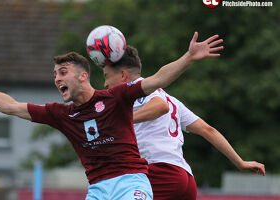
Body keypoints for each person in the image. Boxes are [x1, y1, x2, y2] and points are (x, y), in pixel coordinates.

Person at [0, 32, 223, 200]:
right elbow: (10, 106)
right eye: (54, 75)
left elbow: (159, 78)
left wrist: (188, 58)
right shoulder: (62, 114)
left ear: (84, 76)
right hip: (98, 190)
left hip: (131, 183)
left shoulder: (116, 98)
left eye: (63, 73)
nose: (56, 79)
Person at [102, 45, 266, 200]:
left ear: (123, 75)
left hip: (159, 172)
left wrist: (122, 119)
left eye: (106, 76)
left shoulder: (137, 91)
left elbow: (160, 106)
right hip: (184, 178)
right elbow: (208, 130)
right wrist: (240, 162)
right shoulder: (172, 99)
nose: (105, 84)